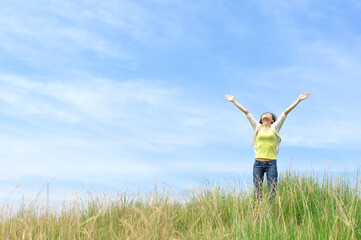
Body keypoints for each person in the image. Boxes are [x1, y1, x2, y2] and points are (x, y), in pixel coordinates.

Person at [225, 92, 310, 199]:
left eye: (268, 114)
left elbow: (285, 112)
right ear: (261, 119)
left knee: (272, 193)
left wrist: (298, 100)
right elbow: (246, 112)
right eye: (264, 114)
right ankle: (256, 214)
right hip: (258, 164)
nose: (265, 114)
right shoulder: (257, 127)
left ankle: (271, 213)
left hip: (271, 164)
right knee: (257, 194)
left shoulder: (275, 128)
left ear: (272, 120)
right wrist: (233, 101)